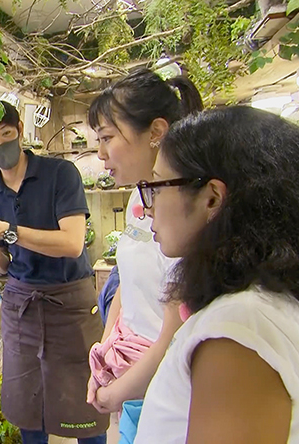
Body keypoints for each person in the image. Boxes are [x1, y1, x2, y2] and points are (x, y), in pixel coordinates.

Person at [134, 106, 299, 443]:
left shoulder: (239, 330)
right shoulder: (271, 303)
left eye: (156, 186)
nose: (144, 206)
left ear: (212, 198)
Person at [0, 99, 108, 444]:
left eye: (7, 133)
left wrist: (8, 231)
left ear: (21, 131)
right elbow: (4, 264)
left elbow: (72, 243)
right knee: (28, 407)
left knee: (85, 403)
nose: (1, 144)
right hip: (22, 307)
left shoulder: (60, 174)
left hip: (69, 303)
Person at [85, 67, 204, 434]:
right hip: (132, 377)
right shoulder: (142, 194)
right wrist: (104, 361)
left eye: (107, 137)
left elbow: (174, 330)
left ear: (155, 132)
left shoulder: (186, 211)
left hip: (165, 384)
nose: (100, 153)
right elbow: (128, 285)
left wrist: (117, 392)